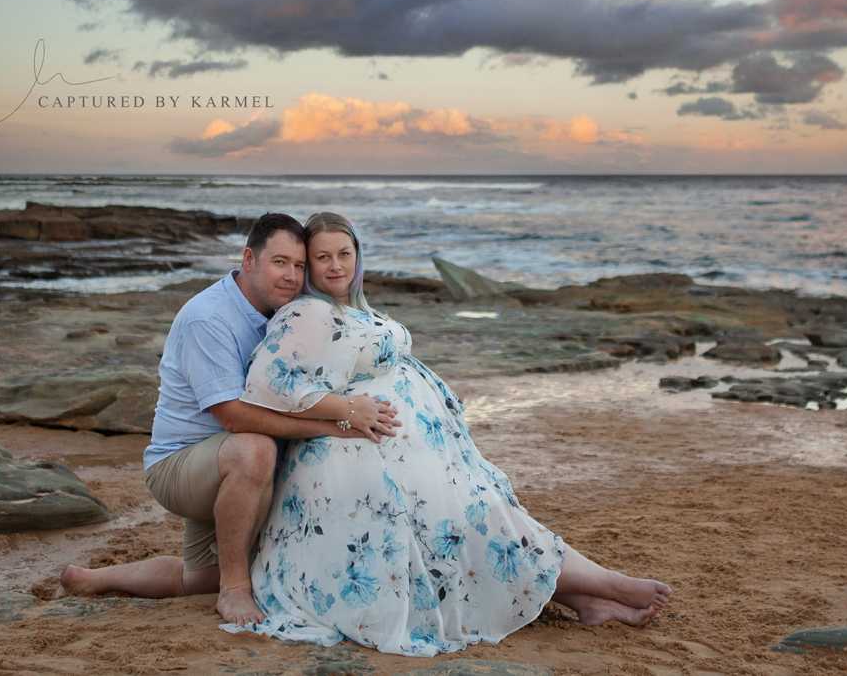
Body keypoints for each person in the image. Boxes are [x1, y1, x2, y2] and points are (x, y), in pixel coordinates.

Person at [227, 212, 671, 656]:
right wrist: (345, 411)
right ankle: (604, 584)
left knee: (482, 510)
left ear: (359, 256)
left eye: (345, 254)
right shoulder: (307, 310)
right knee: (473, 516)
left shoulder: (351, 307)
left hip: (407, 451)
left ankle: (585, 596)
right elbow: (270, 385)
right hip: (353, 455)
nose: (335, 265)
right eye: (321, 257)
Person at [55, 213, 400, 626]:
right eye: (279, 262)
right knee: (256, 449)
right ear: (249, 259)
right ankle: (234, 591)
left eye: (299, 265)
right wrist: (338, 423)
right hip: (181, 464)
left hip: (222, 461)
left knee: (196, 579)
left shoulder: (281, 311)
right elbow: (235, 417)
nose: (291, 276)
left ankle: (87, 578)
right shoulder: (210, 318)